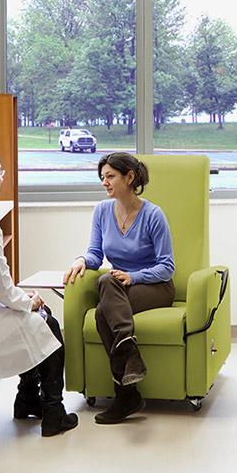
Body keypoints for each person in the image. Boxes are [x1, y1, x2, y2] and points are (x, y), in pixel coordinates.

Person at [0, 143, 77, 437]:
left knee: (36, 323)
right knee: (48, 324)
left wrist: (22, 301)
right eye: (0, 171)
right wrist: (30, 302)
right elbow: (1, 288)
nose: (2, 176)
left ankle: (27, 400)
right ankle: (53, 412)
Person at [63, 152, 175, 424]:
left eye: (110, 176)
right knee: (104, 302)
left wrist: (133, 276)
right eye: (102, 177)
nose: (105, 182)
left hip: (155, 286)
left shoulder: (153, 215)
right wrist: (80, 260)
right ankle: (128, 378)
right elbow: (94, 253)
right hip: (119, 288)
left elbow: (167, 266)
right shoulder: (102, 210)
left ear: (129, 177)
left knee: (105, 295)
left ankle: (126, 395)